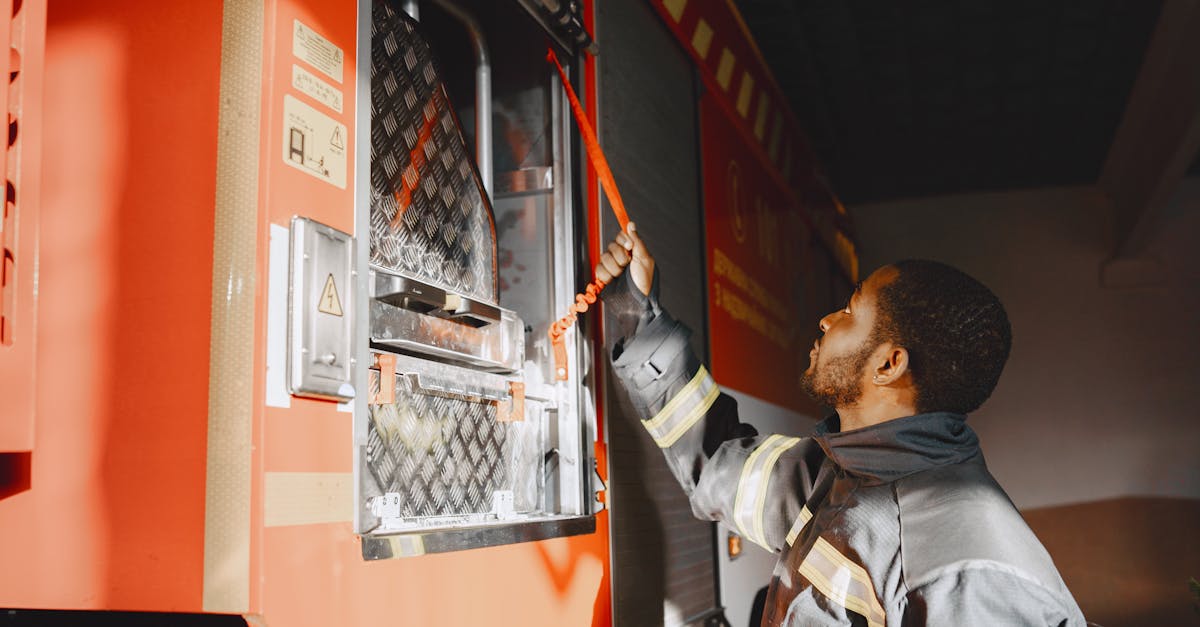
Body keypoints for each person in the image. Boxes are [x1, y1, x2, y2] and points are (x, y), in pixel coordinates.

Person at [597, 223, 1085, 626]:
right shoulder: (838, 474)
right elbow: (718, 460)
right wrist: (638, 312)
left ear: (889, 365)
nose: (827, 321)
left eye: (850, 311)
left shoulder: (969, 563)